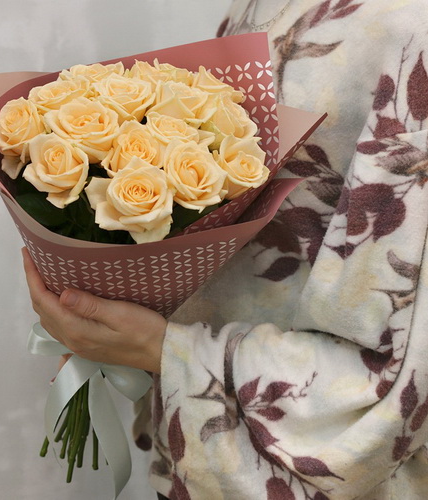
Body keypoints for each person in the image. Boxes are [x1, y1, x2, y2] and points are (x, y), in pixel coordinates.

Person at [23, 0, 428, 497]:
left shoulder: (412, 24)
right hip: (200, 434)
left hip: (324, 458)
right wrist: (115, 319)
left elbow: (407, 362)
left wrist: (161, 349)